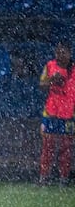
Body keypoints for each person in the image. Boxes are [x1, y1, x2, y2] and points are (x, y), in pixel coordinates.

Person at [38, 41, 74, 186]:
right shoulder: (50, 66)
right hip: (51, 113)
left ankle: (63, 179)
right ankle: (44, 178)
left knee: (66, 148)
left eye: (63, 53)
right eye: (58, 52)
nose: (60, 55)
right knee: (48, 147)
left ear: (69, 54)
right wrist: (51, 80)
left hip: (69, 115)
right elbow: (41, 86)